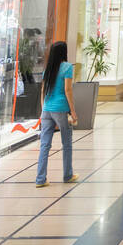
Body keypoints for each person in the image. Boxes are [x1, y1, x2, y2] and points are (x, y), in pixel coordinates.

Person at [35, 40, 78, 188]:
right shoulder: (67, 67)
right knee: (66, 143)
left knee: (44, 145)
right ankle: (68, 175)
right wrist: (73, 111)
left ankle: (40, 179)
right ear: (64, 52)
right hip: (60, 109)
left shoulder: (48, 69)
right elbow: (68, 90)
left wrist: (43, 110)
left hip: (47, 109)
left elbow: (42, 91)